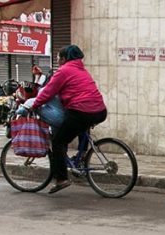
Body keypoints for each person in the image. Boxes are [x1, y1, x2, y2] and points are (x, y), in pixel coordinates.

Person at [19, 45, 107, 194]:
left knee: (58, 142)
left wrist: (34, 105)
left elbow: (47, 92)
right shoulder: (82, 70)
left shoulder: (64, 71)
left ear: (65, 59)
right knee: (77, 127)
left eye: (59, 58)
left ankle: (61, 179)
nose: (58, 61)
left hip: (82, 112)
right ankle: (81, 157)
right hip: (99, 111)